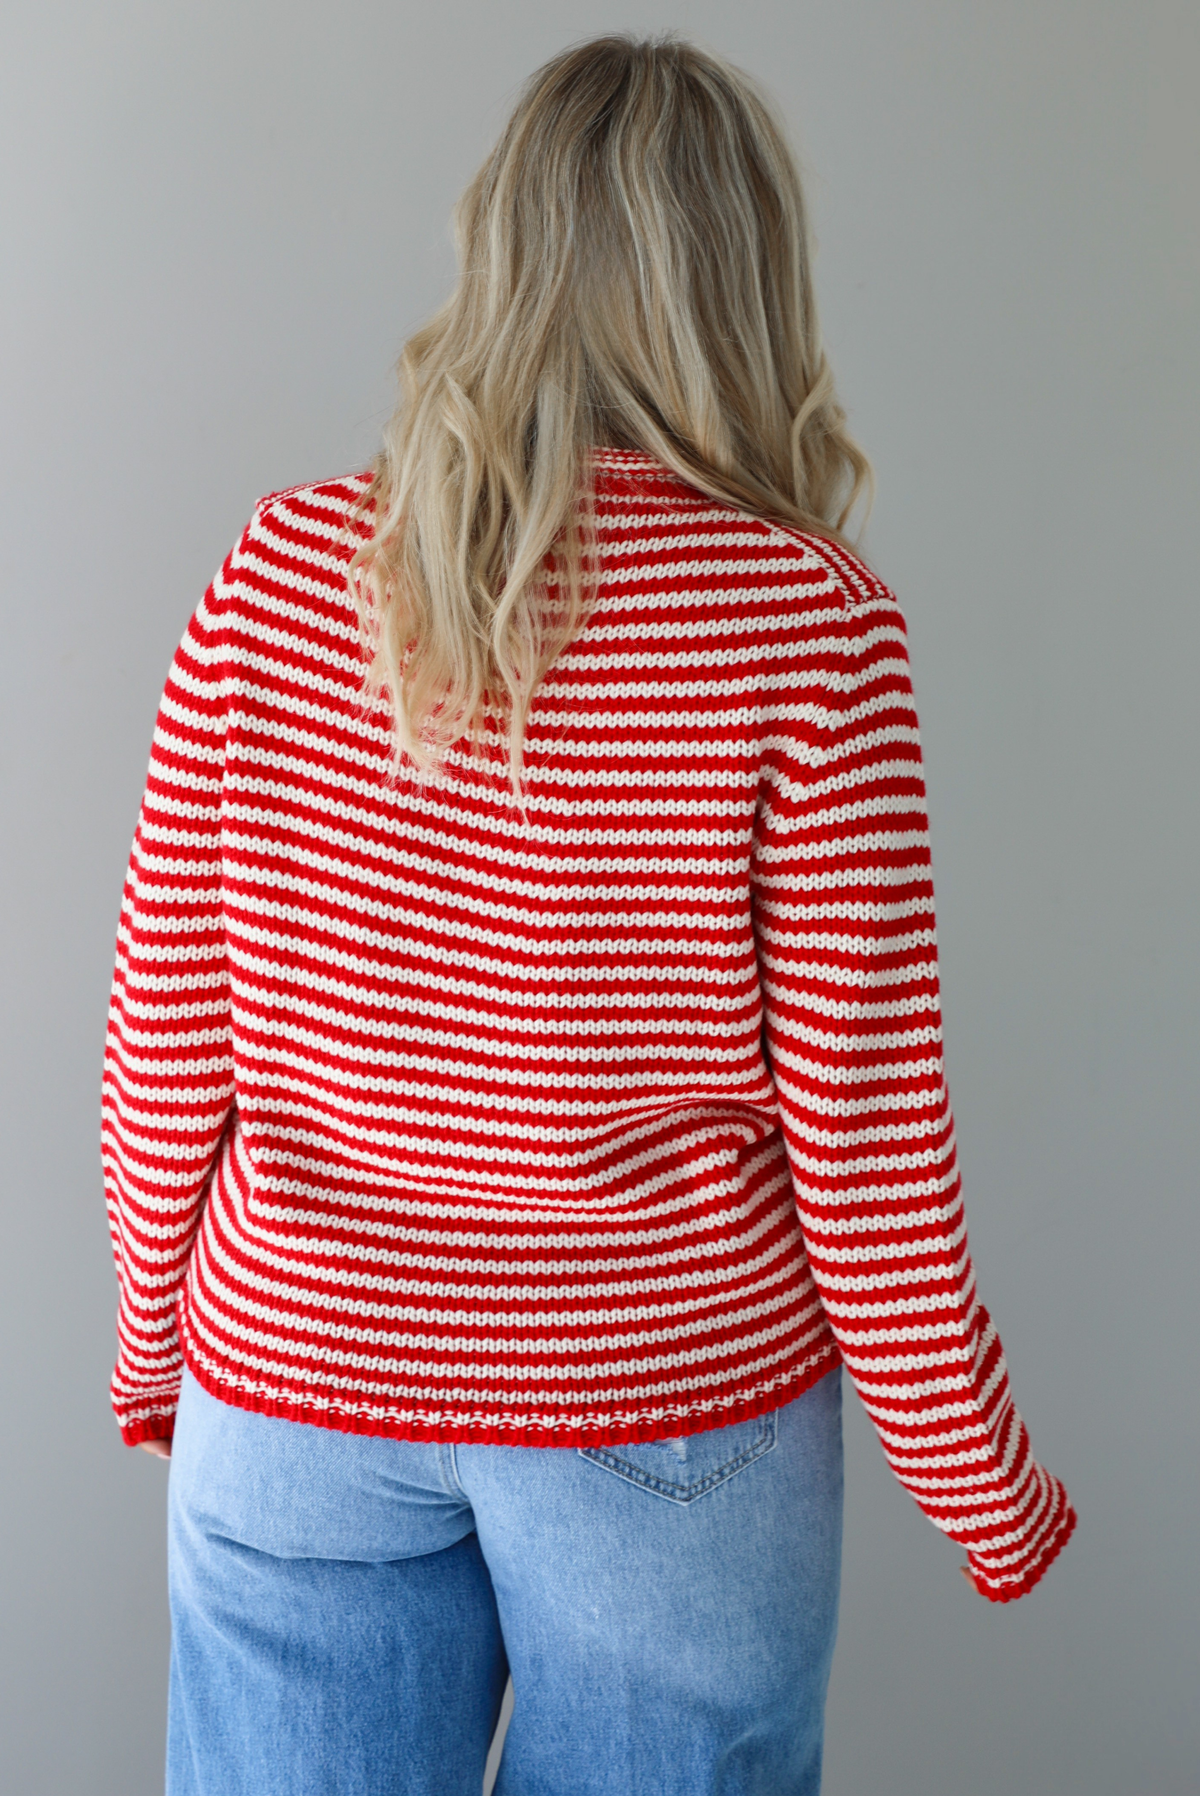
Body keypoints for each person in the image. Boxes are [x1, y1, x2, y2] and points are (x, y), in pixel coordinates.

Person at [102, 32, 1075, 1796]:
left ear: (500, 258)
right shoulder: (810, 623)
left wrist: (156, 1350)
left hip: (298, 1385)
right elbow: (860, 1151)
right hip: (667, 1413)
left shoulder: (277, 576)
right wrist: (987, 1489)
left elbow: (168, 1042)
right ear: (746, 283)